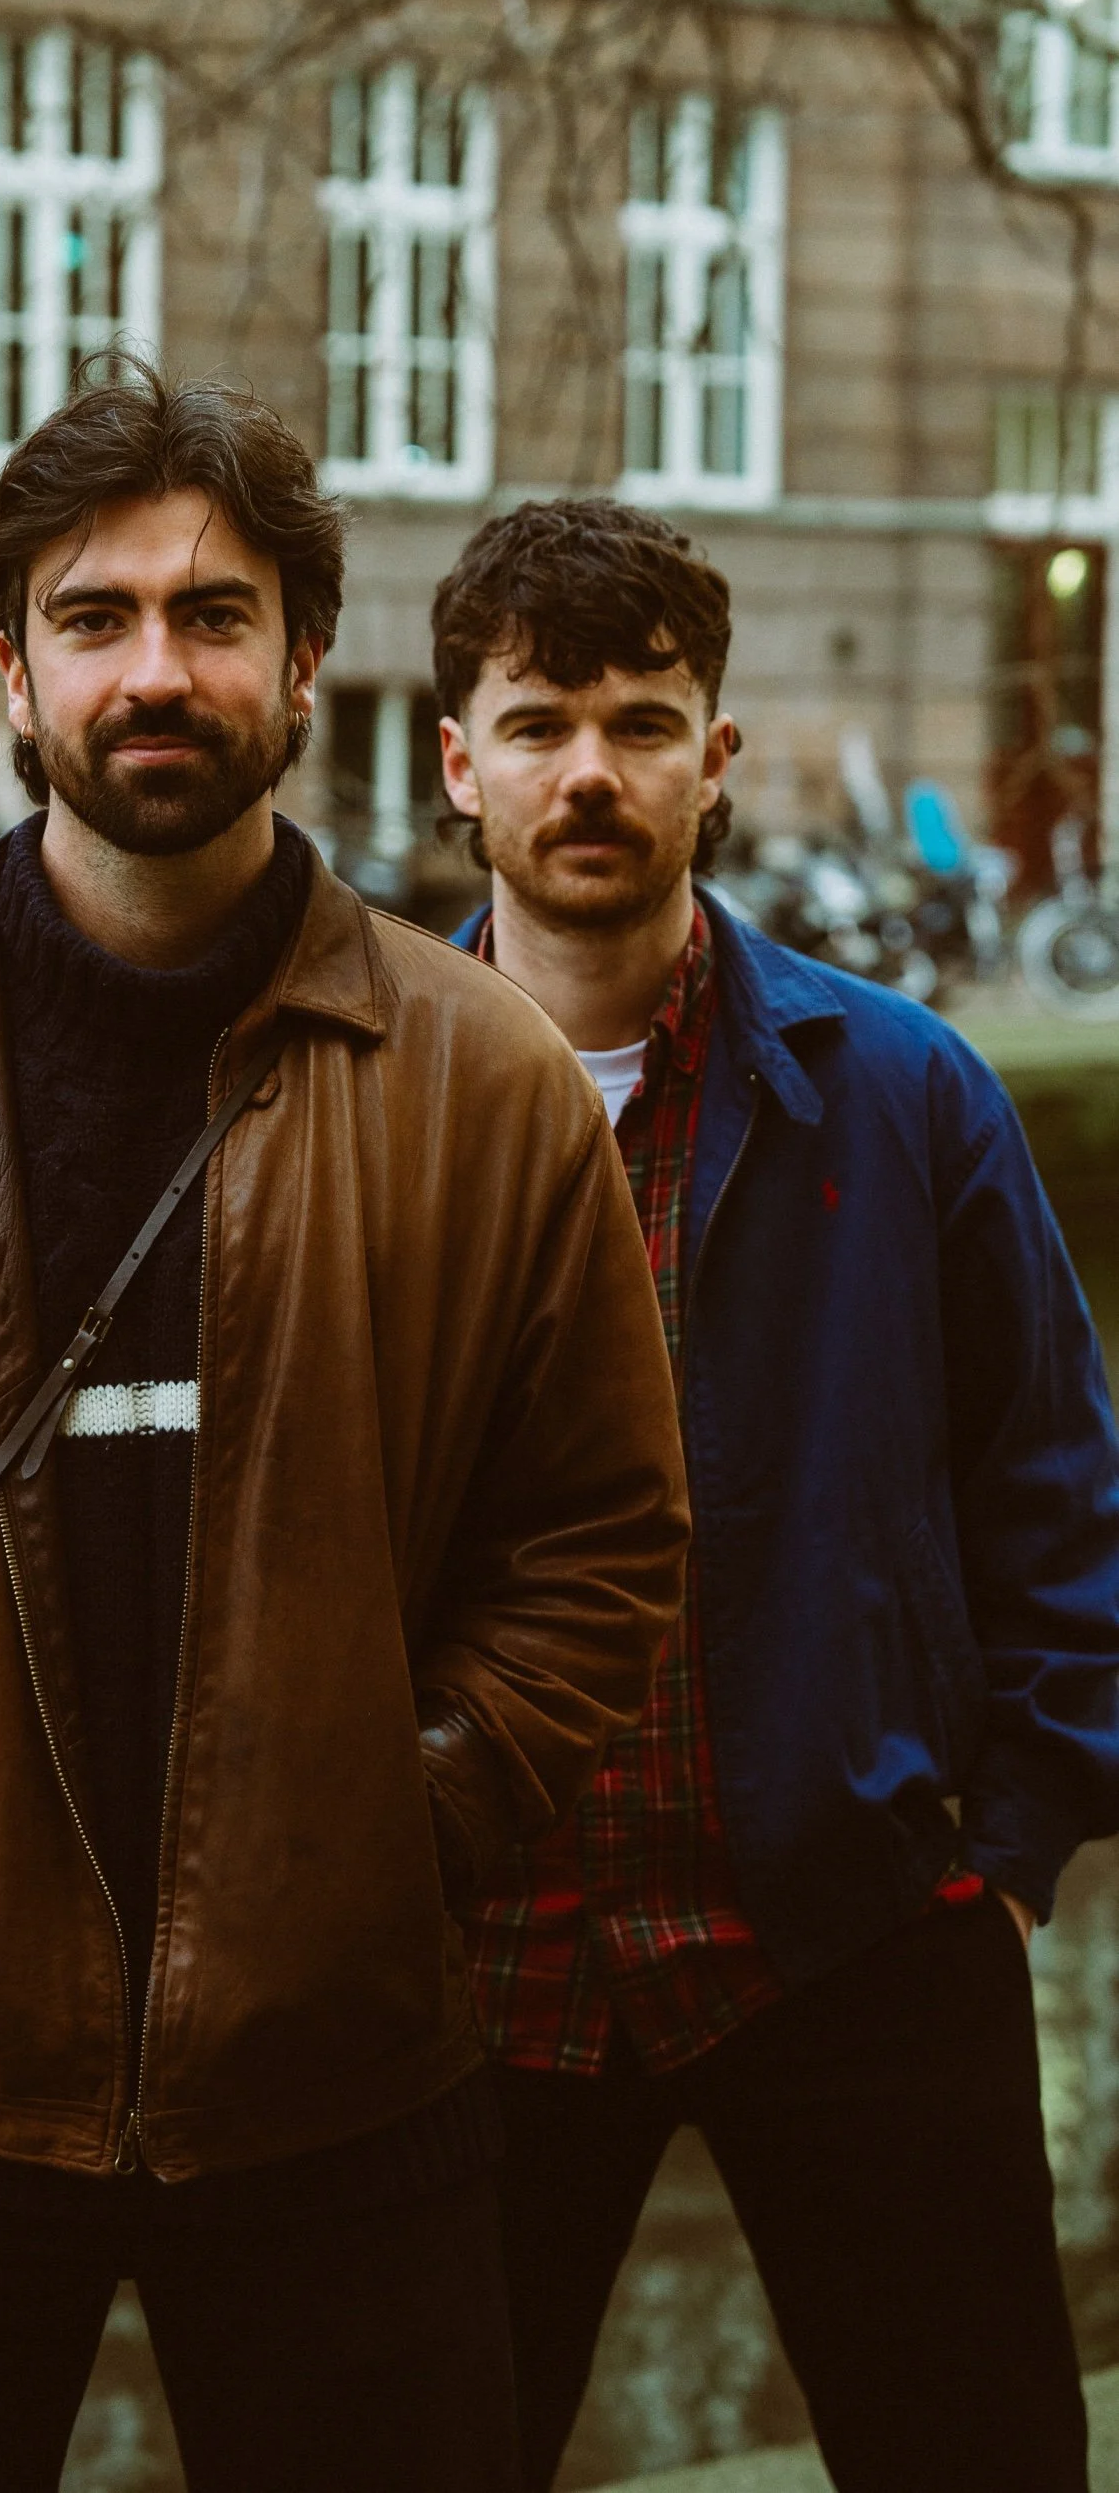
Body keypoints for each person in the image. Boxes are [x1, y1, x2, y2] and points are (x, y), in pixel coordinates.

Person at [0, 362, 690, 2493]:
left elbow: (603, 1537)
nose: (154, 668)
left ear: (304, 664)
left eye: (212, 613)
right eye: (94, 617)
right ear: (11, 666)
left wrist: (424, 1809)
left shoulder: (481, 1082)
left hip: (345, 2072)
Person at [432, 495, 1119, 2493]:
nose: (592, 772)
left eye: (642, 724)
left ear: (715, 759)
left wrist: (1007, 1833)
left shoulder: (902, 1092)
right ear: (457, 761)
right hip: (483, 1954)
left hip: (851, 1920)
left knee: (975, 2451)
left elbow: (1056, 1496)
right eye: (542, 721)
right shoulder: (351, 1101)